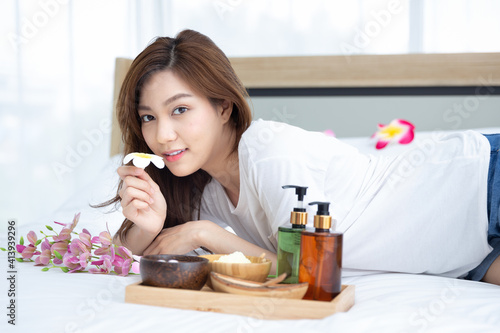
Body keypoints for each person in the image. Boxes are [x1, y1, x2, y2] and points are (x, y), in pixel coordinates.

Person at [106, 29, 500, 285]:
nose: (161, 134)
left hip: (478, 184)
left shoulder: (268, 152)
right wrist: (150, 222)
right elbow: (125, 256)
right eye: (148, 117)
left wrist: (204, 234)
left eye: (180, 110)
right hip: (459, 257)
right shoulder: (203, 194)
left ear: (224, 107)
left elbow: (311, 274)